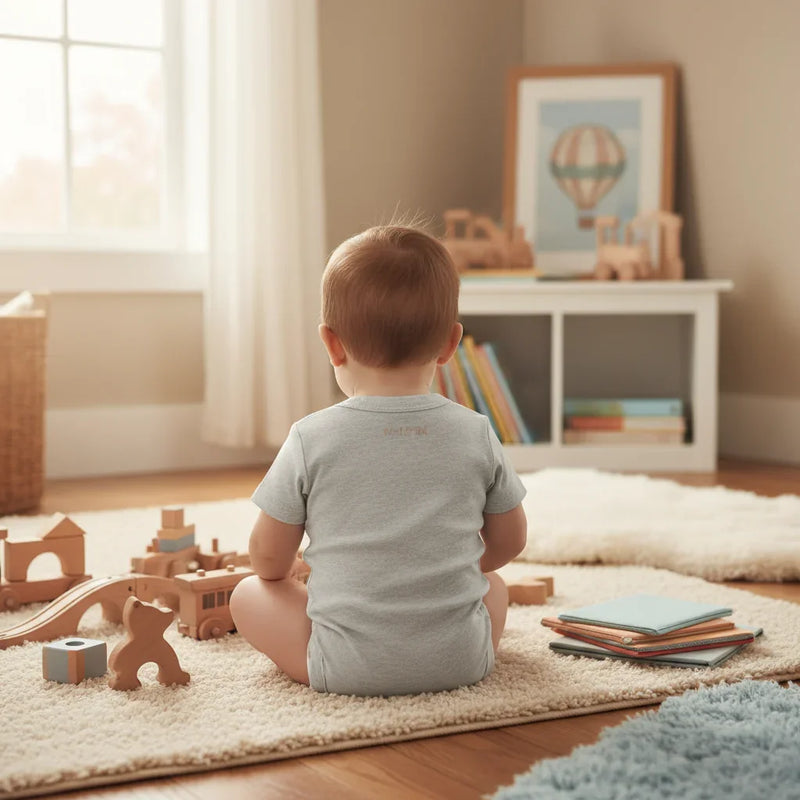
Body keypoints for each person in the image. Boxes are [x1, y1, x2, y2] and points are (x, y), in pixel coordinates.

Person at [230, 224, 527, 696]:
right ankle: (456, 649)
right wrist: (447, 566)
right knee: (493, 585)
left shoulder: (310, 437)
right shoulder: (475, 432)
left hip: (345, 667)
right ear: (451, 343)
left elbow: (267, 560)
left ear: (332, 343)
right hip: (463, 662)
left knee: (247, 593)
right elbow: (510, 542)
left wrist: (306, 582)